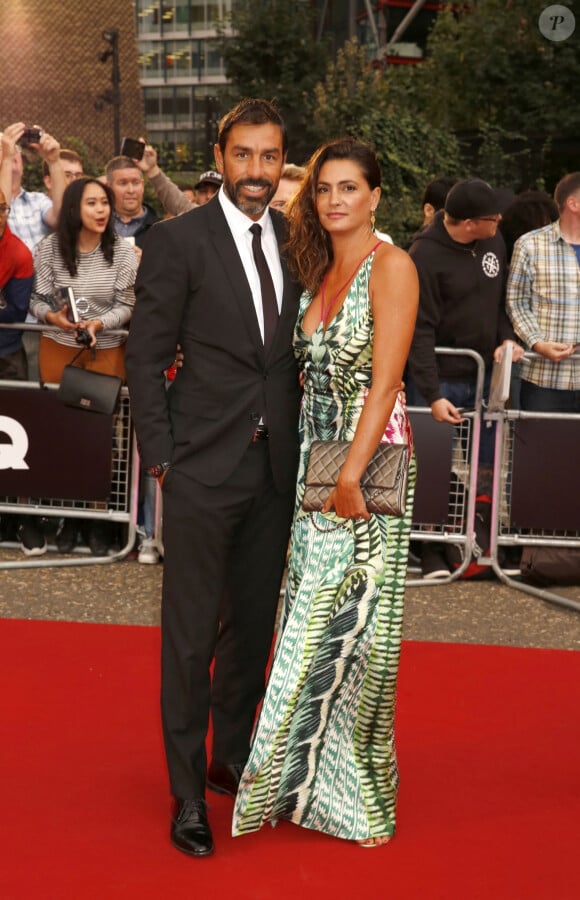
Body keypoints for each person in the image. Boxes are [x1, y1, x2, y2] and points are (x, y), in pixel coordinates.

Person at [125, 98, 303, 858]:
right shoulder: (179, 241)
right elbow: (144, 355)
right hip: (201, 467)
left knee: (250, 632)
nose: (256, 172)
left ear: (281, 161)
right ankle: (187, 792)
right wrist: (164, 457)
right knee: (190, 636)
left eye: (269, 158)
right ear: (220, 156)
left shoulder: (302, 244)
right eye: (244, 156)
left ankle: (230, 758)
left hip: (274, 469)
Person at [232, 137, 419, 847]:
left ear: (375, 196)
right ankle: (300, 787)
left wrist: (349, 476)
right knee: (305, 628)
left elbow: (387, 381)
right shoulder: (315, 272)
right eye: (324, 189)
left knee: (350, 636)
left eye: (349, 188)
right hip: (315, 467)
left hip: (364, 475)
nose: (335, 200)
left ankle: (355, 800)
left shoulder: (391, 266)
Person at [406, 178, 523, 578]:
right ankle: (429, 548)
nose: (501, 220)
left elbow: (500, 302)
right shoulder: (424, 255)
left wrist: (507, 339)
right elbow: (418, 329)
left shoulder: (494, 241)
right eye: (493, 217)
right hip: (442, 377)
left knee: (487, 464)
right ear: (472, 223)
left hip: (486, 374)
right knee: (433, 465)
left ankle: (481, 543)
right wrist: (432, 392)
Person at [29, 177, 137, 555]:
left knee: (102, 439)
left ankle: (100, 524)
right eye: (93, 203)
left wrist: (99, 324)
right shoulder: (49, 249)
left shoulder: (122, 252)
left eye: (105, 203)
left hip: (105, 351)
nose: (102, 210)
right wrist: (53, 318)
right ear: (75, 209)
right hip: (59, 350)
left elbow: (128, 305)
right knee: (64, 437)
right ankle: (69, 522)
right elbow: (37, 299)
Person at [506, 172, 580, 413]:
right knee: (542, 450)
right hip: (544, 378)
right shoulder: (529, 245)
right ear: (573, 204)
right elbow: (516, 303)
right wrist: (537, 343)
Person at [105, 156, 159, 249]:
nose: (131, 190)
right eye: (123, 183)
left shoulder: (158, 228)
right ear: (108, 187)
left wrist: (147, 260)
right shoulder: (97, 225)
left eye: (135, 183)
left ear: (142, 185)